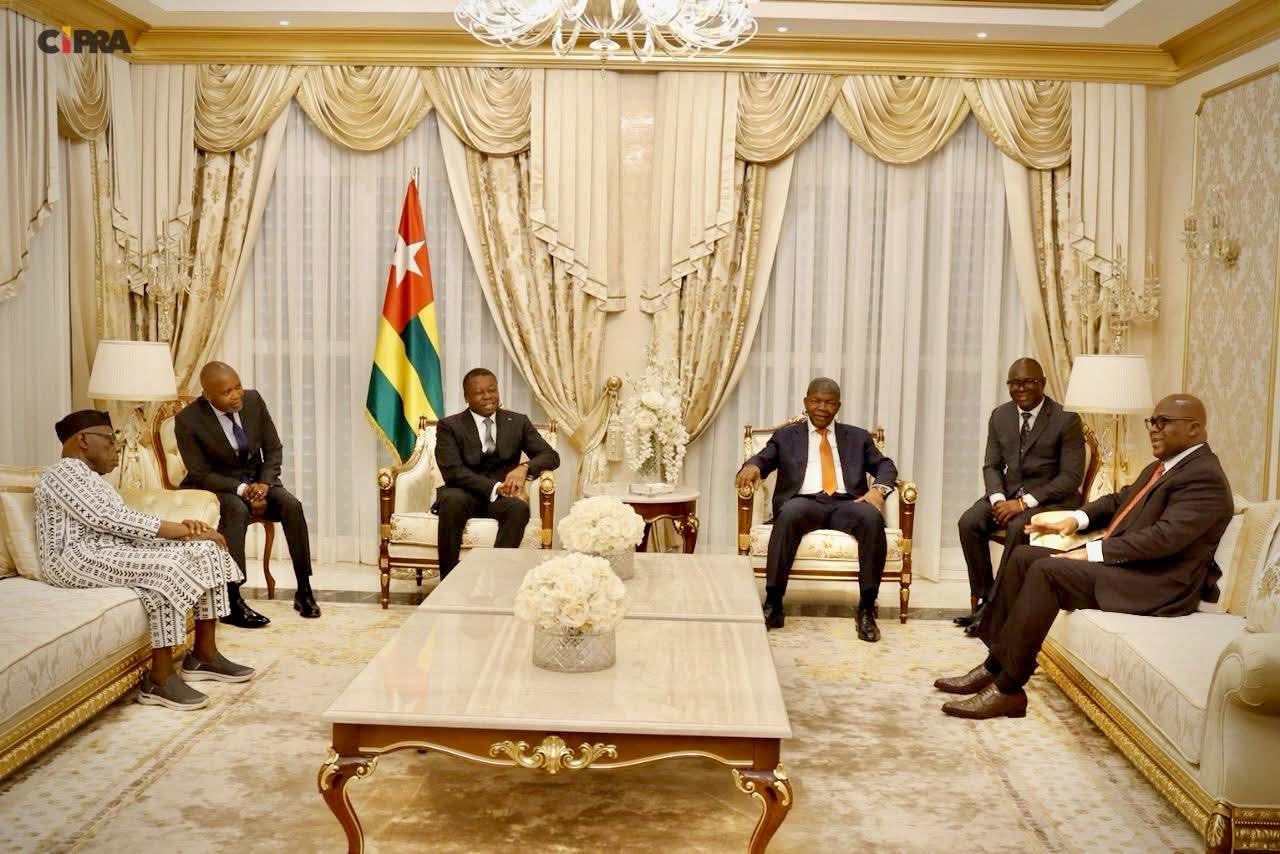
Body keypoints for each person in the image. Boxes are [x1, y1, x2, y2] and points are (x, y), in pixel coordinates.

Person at [933, 394, 1232, 720]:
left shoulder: (1204, 477)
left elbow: (1163, 539)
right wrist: (1075, 519)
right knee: (1022, 556)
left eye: (1163, 422)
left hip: (1157, 584)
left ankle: (1009, 689)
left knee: (1048, 571)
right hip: (1132, 570)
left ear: (1194, 429)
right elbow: (1119, 500)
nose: (1153, 429)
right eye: (1152, 421)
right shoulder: (1163, 467)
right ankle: (994, 665)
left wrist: (1090, 552)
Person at [35, 410, 254, 711]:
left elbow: (120, 524)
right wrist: (181, 530)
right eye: (110, 440)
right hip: (72, 559)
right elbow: (110, 518)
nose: (116, 448)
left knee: (205, 550)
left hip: (107, 550)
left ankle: (204, 655)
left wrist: (189, 532)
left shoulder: (94, 480)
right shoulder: (64, 473)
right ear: (83, 440)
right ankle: (159, 679)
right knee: (167, 568)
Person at [735, 377, 897, 642]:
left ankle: (867, 609)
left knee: (871, 518)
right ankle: (774, 604)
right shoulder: (787, 436)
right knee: (788, 514)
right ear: (806, 402)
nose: (822, 407)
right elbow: (764, 458)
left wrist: (878, 490)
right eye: (816, 401)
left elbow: (885, 465)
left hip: (848, 503)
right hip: (805, 501)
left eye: (829, 403)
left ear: (838, 406)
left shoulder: (857, 437)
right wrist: (752, 465)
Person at [174, 362, 320, 627]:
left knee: (292, 505)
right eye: (227, 392)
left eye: (238, 386)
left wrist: (264, 484)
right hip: (219, 487)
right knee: (237, 509)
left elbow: (273, 449)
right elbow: (199, 472)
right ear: (208, 395)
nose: (236, 395)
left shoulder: (253, 401)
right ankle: (232, 599)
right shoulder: (188, 420)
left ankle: (304, 589)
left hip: (258, 481)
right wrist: (242, 490)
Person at [955, 358, 1085, 633]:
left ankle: (997, 607)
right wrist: (998, 499)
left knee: (1018, 527)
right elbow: (991, 466)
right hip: (1008, 494)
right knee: (969, 522)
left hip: (1050, 499)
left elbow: (1070, 478)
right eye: (1014, 383)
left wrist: (1024, 502)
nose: (1021, 388)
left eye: (1028, 382)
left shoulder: (1066, 419)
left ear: (1043, 384)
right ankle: (984, 599)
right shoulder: (1000, 415)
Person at [433, 368, 560, 578]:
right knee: (452, 500)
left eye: (492, 390)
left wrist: (524, 468)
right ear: (466, 397)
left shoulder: (517, 422)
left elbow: (551, 456)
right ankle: (448, 580)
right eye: (479, 392)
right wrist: (495, 487)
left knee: (518, 509)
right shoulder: (450, 426)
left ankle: (495, 577)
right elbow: (452, 471)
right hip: (463, 493)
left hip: (502, 498)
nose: (487, 396)